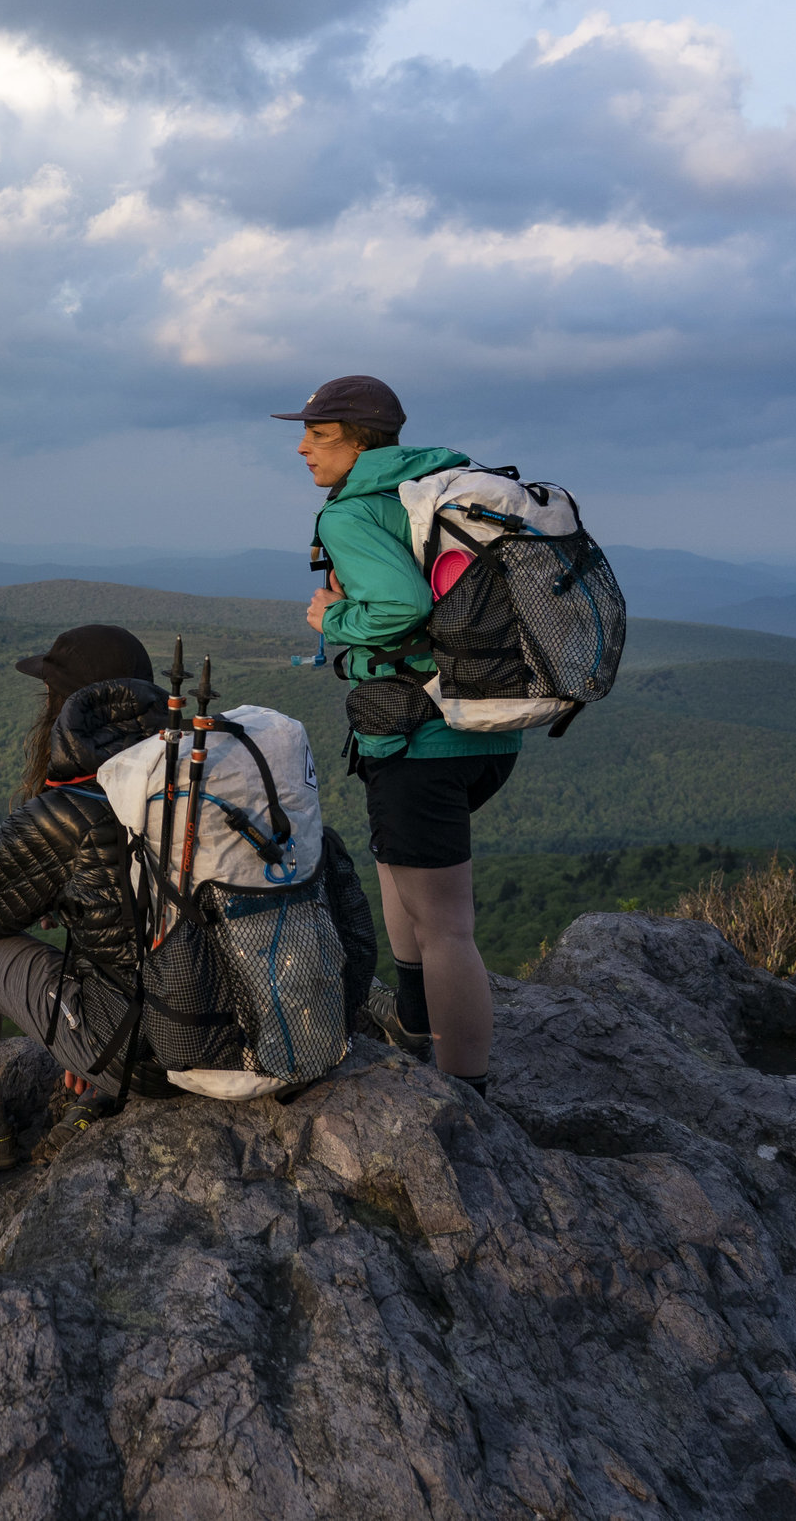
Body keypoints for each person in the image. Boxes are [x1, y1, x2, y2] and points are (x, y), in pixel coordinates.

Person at [0, 625, 375, 1166]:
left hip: (152, 1057)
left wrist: (57, 897)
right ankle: (99, 1055)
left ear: (67, 704)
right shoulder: (197, 778)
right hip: (259, 1023)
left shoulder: (72, 806)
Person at [277, 374, 519, 1096]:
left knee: (446, 925)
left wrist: (333, 621)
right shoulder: (437, 486)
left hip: (423, 741)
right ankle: (415, 1025)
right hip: (483, 727)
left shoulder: (353, 514)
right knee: (397, 871)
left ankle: (465, 1090)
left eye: (318, 437)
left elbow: (404, 605)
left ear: (359, 441)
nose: (302, 448)